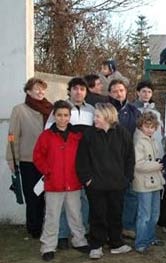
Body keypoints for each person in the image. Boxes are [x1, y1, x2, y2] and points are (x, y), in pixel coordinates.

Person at [76, 103, 135, 259]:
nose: (94, 119)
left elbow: (130, 158)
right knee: (97, 215)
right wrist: (87, 180)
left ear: (108, 116)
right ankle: (96, 245)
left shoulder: (123, 134)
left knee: (116, 214)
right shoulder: (89, 135)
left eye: (97, 116)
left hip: (118, 184)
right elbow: (82, 160)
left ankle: (116, 243)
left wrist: (127, 178)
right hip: (96, 185)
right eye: (94, 115)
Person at [33, 100, 89, 261]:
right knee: (52, 216)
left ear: (70, 117)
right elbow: (38, 156)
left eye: (66, 115)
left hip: (73, 184)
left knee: (75, 215)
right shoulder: (46, 136)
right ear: (54, 116)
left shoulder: (76, 137)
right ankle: (48, 246)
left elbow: (82, 157)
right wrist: (48, 171)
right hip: (54, 184)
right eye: (59, 115)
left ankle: (79, 241)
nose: (62, 118)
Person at [45, 77, 94, 250]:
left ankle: (82, 233)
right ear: (70, 90)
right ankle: (63, 235)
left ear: (86, 92)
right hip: (65, 163)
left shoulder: (92, 110)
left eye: (82, 89)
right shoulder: (60, 109)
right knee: (65, 203)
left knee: (84, 201)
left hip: (86, 163)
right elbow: (48, 133)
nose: (78, 92)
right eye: (75, 88)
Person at [6, 78, 53, 239]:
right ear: (28, 91)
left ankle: (47, 226)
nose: (40, 92)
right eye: (37, 89)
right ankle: (34, 228)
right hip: (28, 161)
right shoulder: (19, 110)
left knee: (48, 196)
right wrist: (12, 159)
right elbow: (13, 136)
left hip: (48, 160)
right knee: (33, 196)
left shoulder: (51, 108)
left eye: (42, 89)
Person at [108, 79, 141, 239]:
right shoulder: (105, 110)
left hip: (130, 159)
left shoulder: (135, 111)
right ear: (109, 93)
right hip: (110, 161)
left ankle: (128, 226)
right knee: (112, 197)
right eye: (114, 91)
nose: (118, 93)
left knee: (131, 194)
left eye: (121, 90)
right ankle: (111, 228)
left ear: (126, 91)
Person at [132, 111, 166, 254]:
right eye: (147, 126)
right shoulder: (139, 141)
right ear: (141, 126)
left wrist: (160, 167)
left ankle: (150, 237)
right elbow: (138, 164)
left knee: (154, 214)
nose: (150, 129)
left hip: (156, 182)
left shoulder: (153, 140)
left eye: (152, 127)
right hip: (144, 184)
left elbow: (158, 159)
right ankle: (140, 242)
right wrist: (157, 166)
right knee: (144, 215)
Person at [132, 80, 164, 152]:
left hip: (156, 151)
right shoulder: (131, 110)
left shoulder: (157, 113)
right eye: (144, 91)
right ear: (138, 93)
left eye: (149, 92)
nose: (146, 94)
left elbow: (161, 134)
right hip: (138, 150)